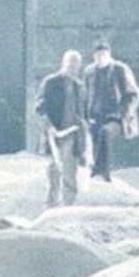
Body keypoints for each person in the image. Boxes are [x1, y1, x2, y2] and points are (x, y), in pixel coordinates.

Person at [33, 49, 91, 207]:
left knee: (70, 173)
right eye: (70, 66)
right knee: (54, 172)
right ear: (63, 64)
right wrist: (48, 126)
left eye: (76, 67)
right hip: (54, 135)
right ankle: (51, 208)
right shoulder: (51, 82)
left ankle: (67, 209)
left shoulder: (80, 86)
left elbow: (84, 113)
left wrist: (85, 133)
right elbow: (39, 108)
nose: (73, 70)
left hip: (73, 135)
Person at [84, 40, 139, 181]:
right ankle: (95, 173)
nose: (100, 58)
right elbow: (85, 96)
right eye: (97, 55)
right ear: (93, 56)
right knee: (92, 139)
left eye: (103, 55)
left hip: (117, 117)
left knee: (105, 132)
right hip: (96, 116)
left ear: (109, 55)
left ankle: (101, 171)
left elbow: (134, 95)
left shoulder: (120, 69)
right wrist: (85, 116)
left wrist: (125, 113)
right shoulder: (89, 72)